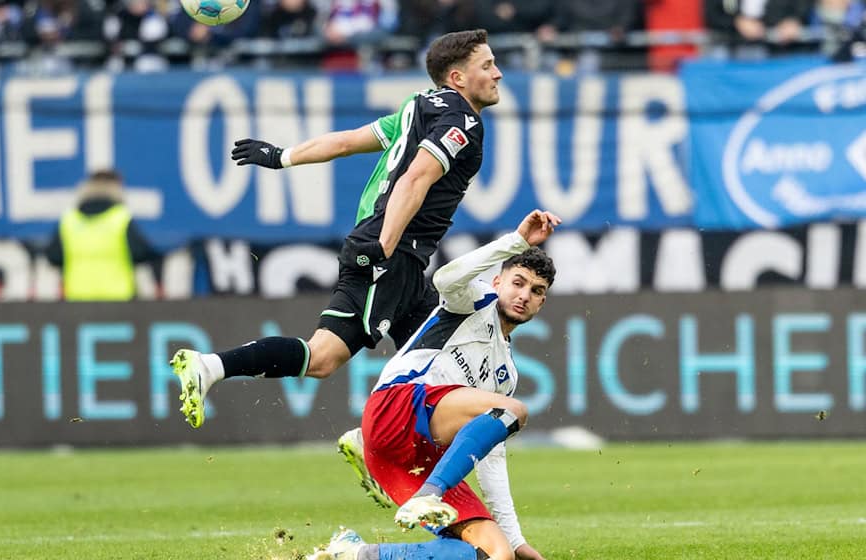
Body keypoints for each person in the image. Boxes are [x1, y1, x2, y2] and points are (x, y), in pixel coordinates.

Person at [170, 28, 503, 429]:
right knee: (325, 356)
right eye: (487, 65)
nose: (498, 73)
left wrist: (281, 156)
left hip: (403, 259)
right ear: (457, 78)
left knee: (437, 359)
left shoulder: (419, 107)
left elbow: (347, 142)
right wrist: (385, 245)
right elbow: (415, 179)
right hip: (391, 252)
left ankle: (388, 450)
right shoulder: (461, 120)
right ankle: (211, 366)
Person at [310, 209, 560, 560]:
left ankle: (357, 554)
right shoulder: (474, 302)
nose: (524, 295)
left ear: (541, 303)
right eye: (517, 282)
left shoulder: (507, 374)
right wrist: (514, 243)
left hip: (411, 461)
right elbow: (445, 278)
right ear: (497, 282)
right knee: (512, 411)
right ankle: (431, 493)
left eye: (536, 291)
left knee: (496, 553)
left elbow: (491, 457)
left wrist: (516, 541)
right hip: (394, 410)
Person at [45, 170, 160, 301]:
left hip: (77, 297)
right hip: (119, 298)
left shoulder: (69, 220)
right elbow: (140, 252)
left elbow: (53, 256)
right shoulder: (121, 217)